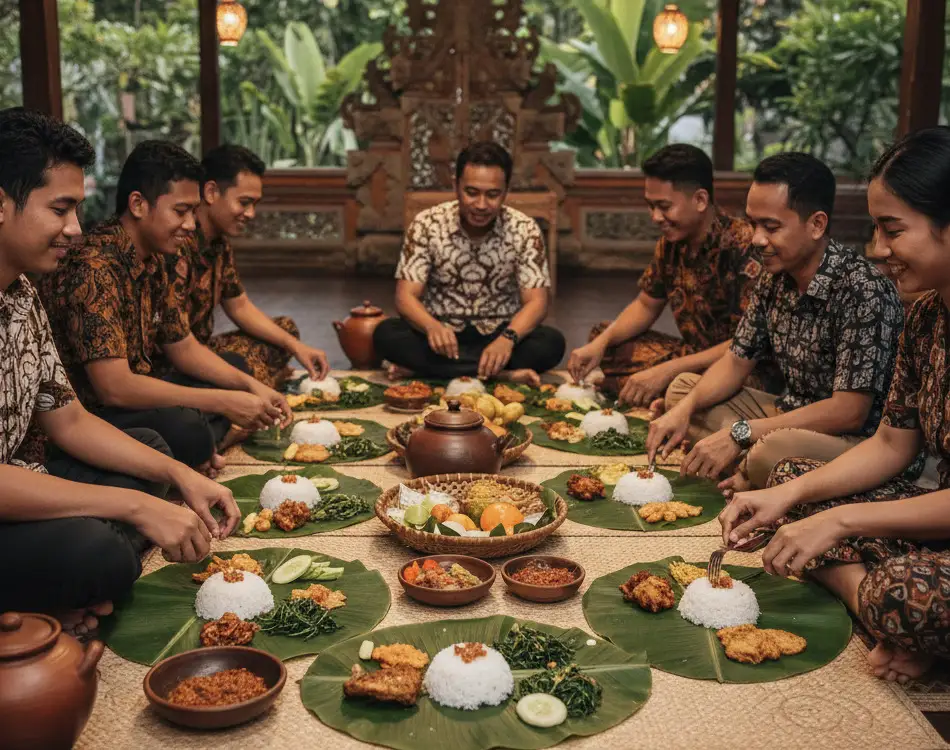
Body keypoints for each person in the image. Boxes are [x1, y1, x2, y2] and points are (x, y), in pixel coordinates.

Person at [719, 127, 950, 684]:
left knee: (903, 592)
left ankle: (882, 607)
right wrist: (788, 494)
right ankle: (884, 610)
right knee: (792, 479)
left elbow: (851, 414)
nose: (878, 248)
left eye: (893, 230)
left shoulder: (867, 290)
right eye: (875, 229)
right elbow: (893, 443)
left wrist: (840, 520)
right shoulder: (925, 317)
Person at [0, 108, 239, 634]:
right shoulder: (85, 266)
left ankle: (57, 592)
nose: (74, 230)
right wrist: (133, 508)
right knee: (99, 555)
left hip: (31, 481)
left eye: (77, 210)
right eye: (60, 209)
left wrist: (177, 476)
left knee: (156, 457)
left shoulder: (21, 295)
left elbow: (69, 420)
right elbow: (111, 389)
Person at [647, 152, 903, 491]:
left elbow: (850, 412)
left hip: (852, 440)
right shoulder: (774, 278)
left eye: (771, 227)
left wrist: (742, 433)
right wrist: (684, 410)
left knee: (771, 452)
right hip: (787, 414)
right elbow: (736, 362)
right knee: (682, 391)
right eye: (753, 224)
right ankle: (752, 465)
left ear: (816, 224)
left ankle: (755, 465)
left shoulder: (862, 288)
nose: (756, 239)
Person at [40, 140, 291, 476]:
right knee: (188, 428)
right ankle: (203, 446)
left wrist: (249, 387)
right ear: (139, 205)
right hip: (89, 415)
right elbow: (114, 389)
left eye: (193, 211)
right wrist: (224, 401)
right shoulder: (95, 266)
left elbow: (183, 345)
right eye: (181, 211)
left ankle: (204, 445)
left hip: (139, 395)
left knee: (232, 372)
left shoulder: (156, 257)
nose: (190, 223)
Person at [568, 144, 774, 407]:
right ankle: (665, 392)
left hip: (741, 367)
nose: (655, 217)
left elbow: (745, 344)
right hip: (692, 357)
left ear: (700, 200)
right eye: (650, 206)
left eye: (664, 206)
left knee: (716, 387)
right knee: (603, 339)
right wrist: (600, 343)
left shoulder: (745, 245)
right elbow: (645, 304)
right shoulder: (670, 244)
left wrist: (667, 371)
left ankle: (669, 394)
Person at [373, 141, 565, 385]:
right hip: (440, 336)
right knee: (385, 334)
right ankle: (500, 374)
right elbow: (405, 297)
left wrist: (507, 339)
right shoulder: (426, 223)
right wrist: (432, 327)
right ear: (456, 186)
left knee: (551, 343)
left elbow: (537, 302)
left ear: (506, 191)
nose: (481, 205)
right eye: (472, 192)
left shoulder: (524, 229)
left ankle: (434, 371)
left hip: (499, 332)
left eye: (493, 194)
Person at [162, 144, 328, 389]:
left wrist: (296, 347)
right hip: (175, 362)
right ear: (210, 192)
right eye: (244, 202)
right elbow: (177, 347)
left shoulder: (219, 243)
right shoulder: (176, 243)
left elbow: (239, 306)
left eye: (254, 204)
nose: (251, 213)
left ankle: (257, 379)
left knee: (285, 331)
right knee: (242, 364)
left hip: (200, 349)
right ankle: (256, 383)